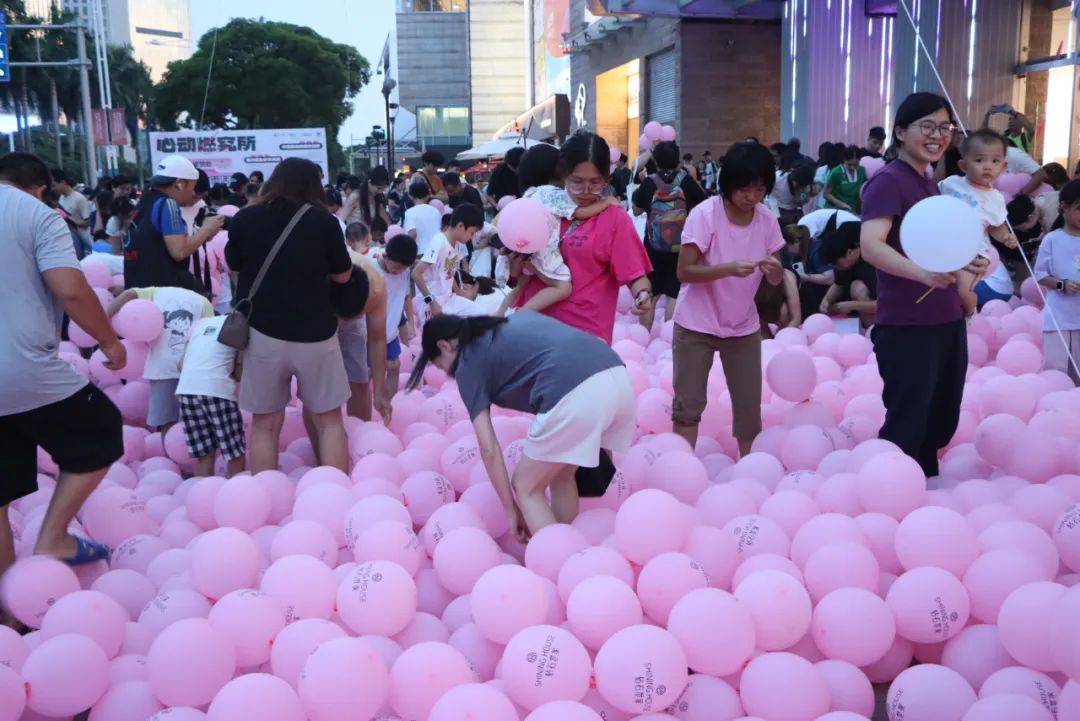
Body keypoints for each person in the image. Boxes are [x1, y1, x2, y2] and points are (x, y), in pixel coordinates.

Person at [0, 152, 125, 572]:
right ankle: (52, 536)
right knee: (101, 429)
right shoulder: (37, 214)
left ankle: (10, 614)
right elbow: (69, 289)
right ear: (40, 187)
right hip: (21, 369)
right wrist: (109, 341)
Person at [407, 312, 635, 539]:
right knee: (562, 476)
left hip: (574, 393)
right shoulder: (511, 320)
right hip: (616, 374)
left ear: (444, 345)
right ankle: (572, 546)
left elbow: (489, 448)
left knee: (526, 487)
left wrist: (510, 509)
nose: (449, 374)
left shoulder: (467, 363)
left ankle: (560, 559)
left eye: (441, 366)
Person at [860, 91, 988, 477]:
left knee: (939, 420)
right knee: (908, 423)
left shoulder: (929, 183)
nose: (938, 135)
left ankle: (925, 500)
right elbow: (870, 246)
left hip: (944, 318)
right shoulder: (888, 182)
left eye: (945, 127)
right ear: (900, 132)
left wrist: (966, 262)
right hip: (908, 324)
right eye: (927, 126)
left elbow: (931, 248)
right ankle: (891, 504)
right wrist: (923, 274)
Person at [225, 158, 361, 473]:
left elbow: (233, 264)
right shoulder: (323, 222)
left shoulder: (246, 219)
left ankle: (264, 493)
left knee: (265, 424)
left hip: (262, 333)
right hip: (316, 333)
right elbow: (342, 275)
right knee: (328, 420)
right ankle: (334, 491)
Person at [671, 141, 785, 456]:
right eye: (745, 189)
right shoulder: (705, 215)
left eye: (760, 189)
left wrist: (775, 272)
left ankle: (749, 468)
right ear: (729, 185)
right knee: (688, 406)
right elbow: (685, 272)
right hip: (697, 323)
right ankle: (681, 468)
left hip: (743, 325)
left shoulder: (766, 220)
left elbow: (775, 275)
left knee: (749, 410)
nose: (753, 197)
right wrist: (728, 269)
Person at [515, 131, 654, 343]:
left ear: (607, 178)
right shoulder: (545, 205)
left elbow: (634, 273)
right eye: (577, 181)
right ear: (563, 175)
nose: (586, 191)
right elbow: (518, 269)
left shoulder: (615, 218)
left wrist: (642, 294)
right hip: (533, 329)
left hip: (585, 333)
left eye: (596, 182)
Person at [508, 143, 618, 314]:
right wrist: (606, 202)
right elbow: (580, 213)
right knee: (563, 286)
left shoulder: (529, 192)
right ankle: (522, 313)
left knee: (520, 286)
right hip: (541, 251)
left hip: (526, 248)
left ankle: (506, 312)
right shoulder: (553, 194)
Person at [108, 287, 214, 431]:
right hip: (191, 370)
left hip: (162, 369)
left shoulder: (153, 292)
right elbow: (208, 335)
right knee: (195, 424)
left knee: (167, 423)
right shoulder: (204, 302)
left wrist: (105, 316)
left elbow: (128, 294)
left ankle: (170, 451)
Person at [937, 129, 1019, 310]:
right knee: (940, 287)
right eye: (979, 160)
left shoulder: (995, 198)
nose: (987, 166)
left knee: (963, 289)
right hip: (943, 247)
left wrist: (1006, 237)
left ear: (1004, 167)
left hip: (972, 253)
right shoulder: (951, 184)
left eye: (995, 161)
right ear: (963, 165)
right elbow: (930, 201)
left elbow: (995, 227)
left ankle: (970, 315)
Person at [632, 140, 708, 328]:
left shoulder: (649, 182)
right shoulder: (686, 181)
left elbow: (636, 211)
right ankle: (668, 338)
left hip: (653, 246)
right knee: (675, 293)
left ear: (656, 160)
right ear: (677, 160)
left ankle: (644, 336)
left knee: (650, 292)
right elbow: (703, 206)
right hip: (681, 246)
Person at [124, 155, 225, 292]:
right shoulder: (168, 204)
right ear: (180, 183)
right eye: (192, 186)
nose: (192, 193)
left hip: (140, 289)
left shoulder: (144, 201)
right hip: (163, 291)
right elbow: (179, 252)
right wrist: (206, 229)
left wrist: (201, 235)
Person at [176, 314, 246, 477]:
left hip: (187, 389)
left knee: (204, 453)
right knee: (234, 450)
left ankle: (203, 492)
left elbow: (180, 365)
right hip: (217, 389)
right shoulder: (241, 326)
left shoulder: (199, 324)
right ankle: (238, 492)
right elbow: (239, 372)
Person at [1033, 178, 1080, 384]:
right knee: (1056, 371)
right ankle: (1054, 409)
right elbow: (1041, 274)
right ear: (1064, 207)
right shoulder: (1052, 239)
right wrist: (1062, 284)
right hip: (1059, 317)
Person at [412, 203, 484, 317]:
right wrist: (431, 301)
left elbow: (449, 273)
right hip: (431, 302)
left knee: (482, 314)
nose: (472, 237)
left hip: (448, 298)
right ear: (460, 226)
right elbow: (416, 273)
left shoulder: (457, 244)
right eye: (472, 233)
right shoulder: (439, 243)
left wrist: (459, 292)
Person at [376, 234, 420, 400]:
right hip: (369, 332)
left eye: (403, 268)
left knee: (394, 366)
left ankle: (390, 404)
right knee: (368, 371)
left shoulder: (405, 271)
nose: (399, 272)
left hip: (390, 330)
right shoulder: (372, 270)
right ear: (386, 257)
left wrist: (410, 323)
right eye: (396, 268)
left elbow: (406, 297)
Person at [817, 221, 877, 327]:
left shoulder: (872, 262)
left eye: (837, 263)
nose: (836, 267)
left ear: (849, 252)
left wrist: (852, 305)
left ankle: (871, 331)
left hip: (888, 312)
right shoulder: (843, 266)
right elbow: (838, 284)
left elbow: (887, 304)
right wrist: (827, 299)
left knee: (857, 287)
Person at [53, 170, 92, 255]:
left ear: (62, 182)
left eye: (54, 185)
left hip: (84, 242)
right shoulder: (61, 198)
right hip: (70, 241)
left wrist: (70, 221)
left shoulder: (79, 198)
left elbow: (88, 222)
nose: (54, 188)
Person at [343, 166, 392, 230]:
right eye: (379, 188)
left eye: (383, 189)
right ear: (369, 183)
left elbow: (387, 222)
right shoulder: (355, 197)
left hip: (368, 238)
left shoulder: (377, 198)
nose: (381, 192)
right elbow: (341, 219)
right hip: (354, 237)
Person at [403, 179, 444, 252]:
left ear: (411, 196)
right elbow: (441, 229)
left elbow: (412, 233)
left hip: (420, 253)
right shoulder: (435, 211)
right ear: (427, 196)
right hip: (437, 250)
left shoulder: (410, 212)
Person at [824, 145, 868, 212]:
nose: (852, 168)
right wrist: (842, 204)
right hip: (833, 209)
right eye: (849, 164)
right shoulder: (836, 172)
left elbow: (864, 190)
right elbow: (826, 194)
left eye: (855, 165)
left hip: (851, 210)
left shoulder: (861, 171)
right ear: (844, 160)